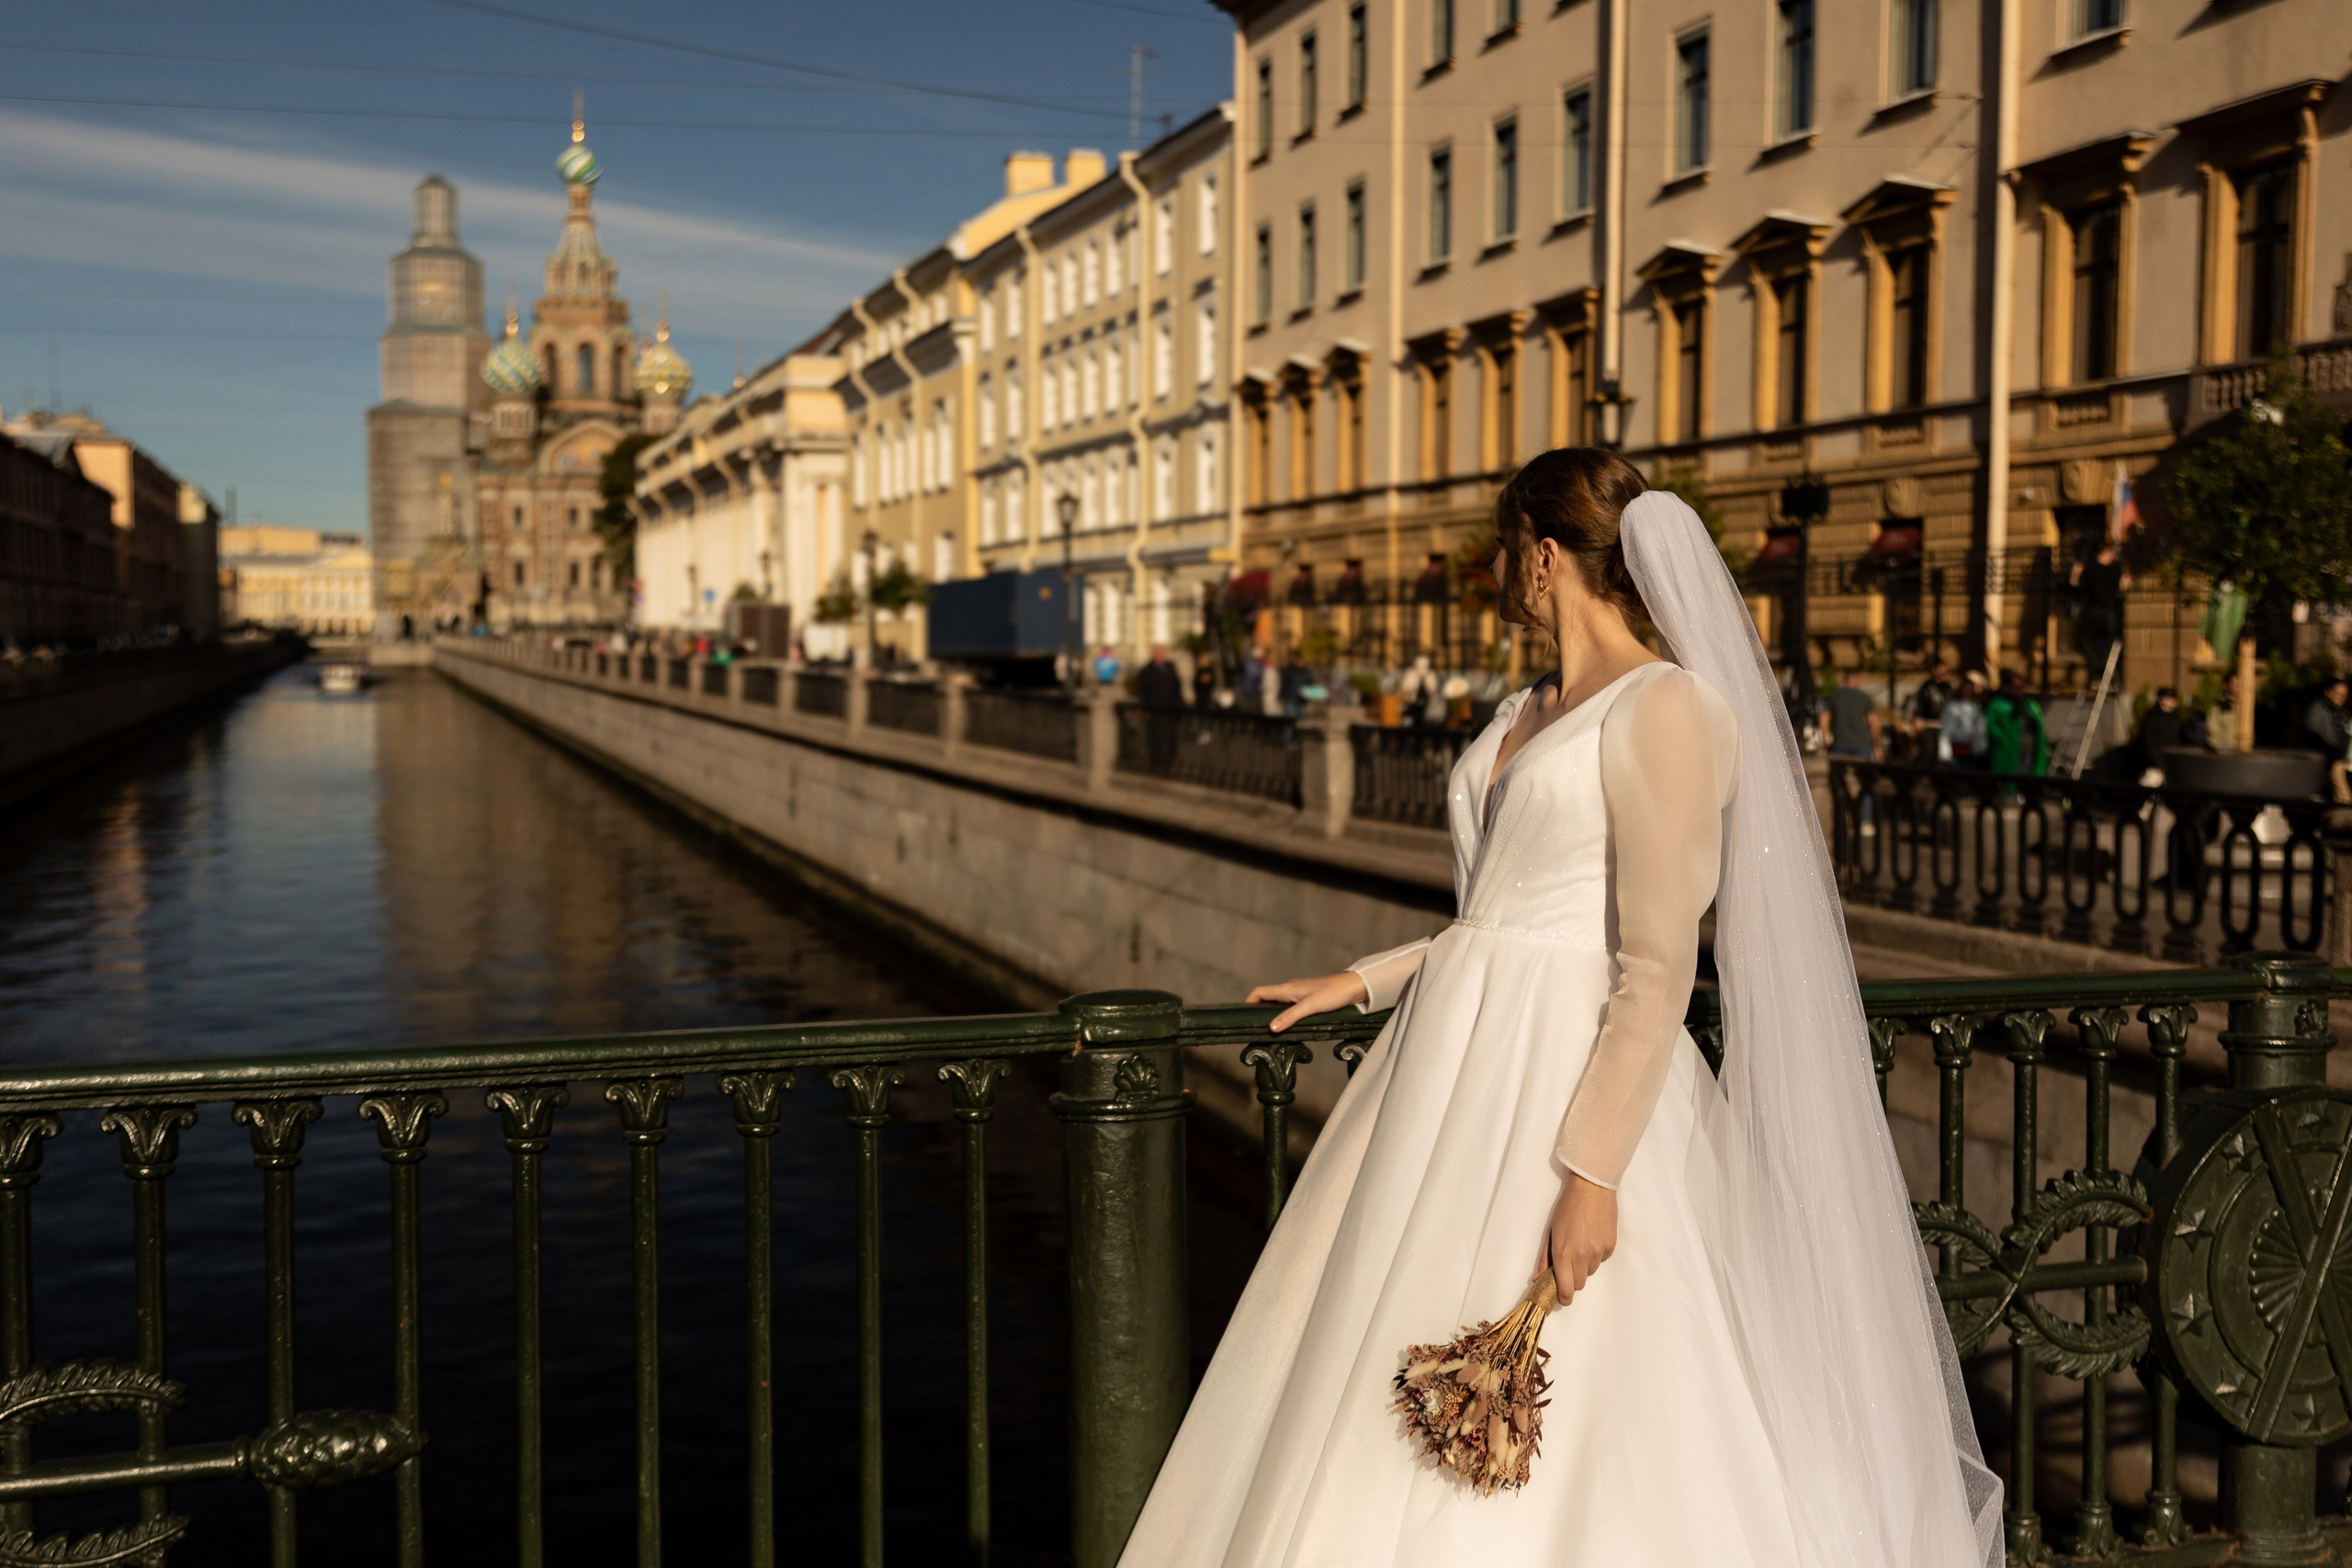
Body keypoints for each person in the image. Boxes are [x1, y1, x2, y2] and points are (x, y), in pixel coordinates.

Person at [1123, 449, 2000, 1568]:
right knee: (1362, 1346)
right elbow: (1501, 912)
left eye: (1504, 550)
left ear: (1541, 556)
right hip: (1446, 1066)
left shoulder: (1668, 707)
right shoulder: (1525, 707)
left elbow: (1653, 966)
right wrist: (1370, 977)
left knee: (1597, 1398)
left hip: (1574, 1084)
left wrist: (1590, 1175)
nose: (1498, 573)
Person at [2069, 543, 2132, 688]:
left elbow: (2074, 584)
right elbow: (2121, 590)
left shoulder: (2090, 567)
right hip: (2108, 612)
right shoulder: (2116, 568)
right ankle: (2104, 676)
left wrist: (2075, 572)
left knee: (2091, 645)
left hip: (2092, 612)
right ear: (2105, 552)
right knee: (2106, 644)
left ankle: (2094, 677)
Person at [1985, 669, 2048, 776]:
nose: (2020, 690)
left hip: (2030, 752)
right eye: (2016, 687)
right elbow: (1990, 727)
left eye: (2021, 686)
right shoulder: (1998, 705)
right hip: (2008, 754)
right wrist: (2004, 739)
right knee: (2011, 782)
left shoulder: (2030, 705)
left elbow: (2039, 728)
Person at [1817, 666, 1880, 761]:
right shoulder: (1864, 697)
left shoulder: (1834, 696)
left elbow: (1823, 719)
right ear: (1857, 680)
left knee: (1837, 773)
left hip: (1840, 743)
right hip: (1862, 744)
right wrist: (1876, 746)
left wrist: (1825, 741)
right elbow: (1874, 723)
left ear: (1844, 679)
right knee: (1864, 773)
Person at [2306, 677, 2352, 802]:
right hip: (2325, 755)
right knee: (2339, 781)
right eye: (2338, 694)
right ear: (2328, 692)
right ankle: (2346, 806)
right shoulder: (2318, 709)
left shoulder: (2342, 712)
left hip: (2339, 756)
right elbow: (2314, 732)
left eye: (2344, 695)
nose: (2342, 698)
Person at [1941, 671, 1989, 773]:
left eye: (1971, 688)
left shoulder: (1977, 707)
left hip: (1974, 750)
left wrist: (1981, 746)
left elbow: (1981, 728)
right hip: (1959, 750)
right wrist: (1945, 753)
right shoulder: (1953, 707)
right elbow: (1946, 731)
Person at [1908, 660, 1954, 760]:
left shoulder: (1948, 687)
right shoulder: (1926, 687)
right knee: (1929, 749)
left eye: (1944, 669)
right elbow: (1920, 703)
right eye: (1940, 669)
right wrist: (1919, 718)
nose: (1943, 672)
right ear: (1934, 670)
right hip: (1929, 723)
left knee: (1943, 753)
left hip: (1944, 723)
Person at [1277, 649, 1312, 718]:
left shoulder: (1306, 672)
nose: (1300, 662)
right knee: (1289, 719)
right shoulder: (1289, 671)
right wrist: (1281, 697)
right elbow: (1284, 685)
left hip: (1301, 700)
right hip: (1291, 699)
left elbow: (1309, 684)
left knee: (1299, 721)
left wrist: (1308, 696)